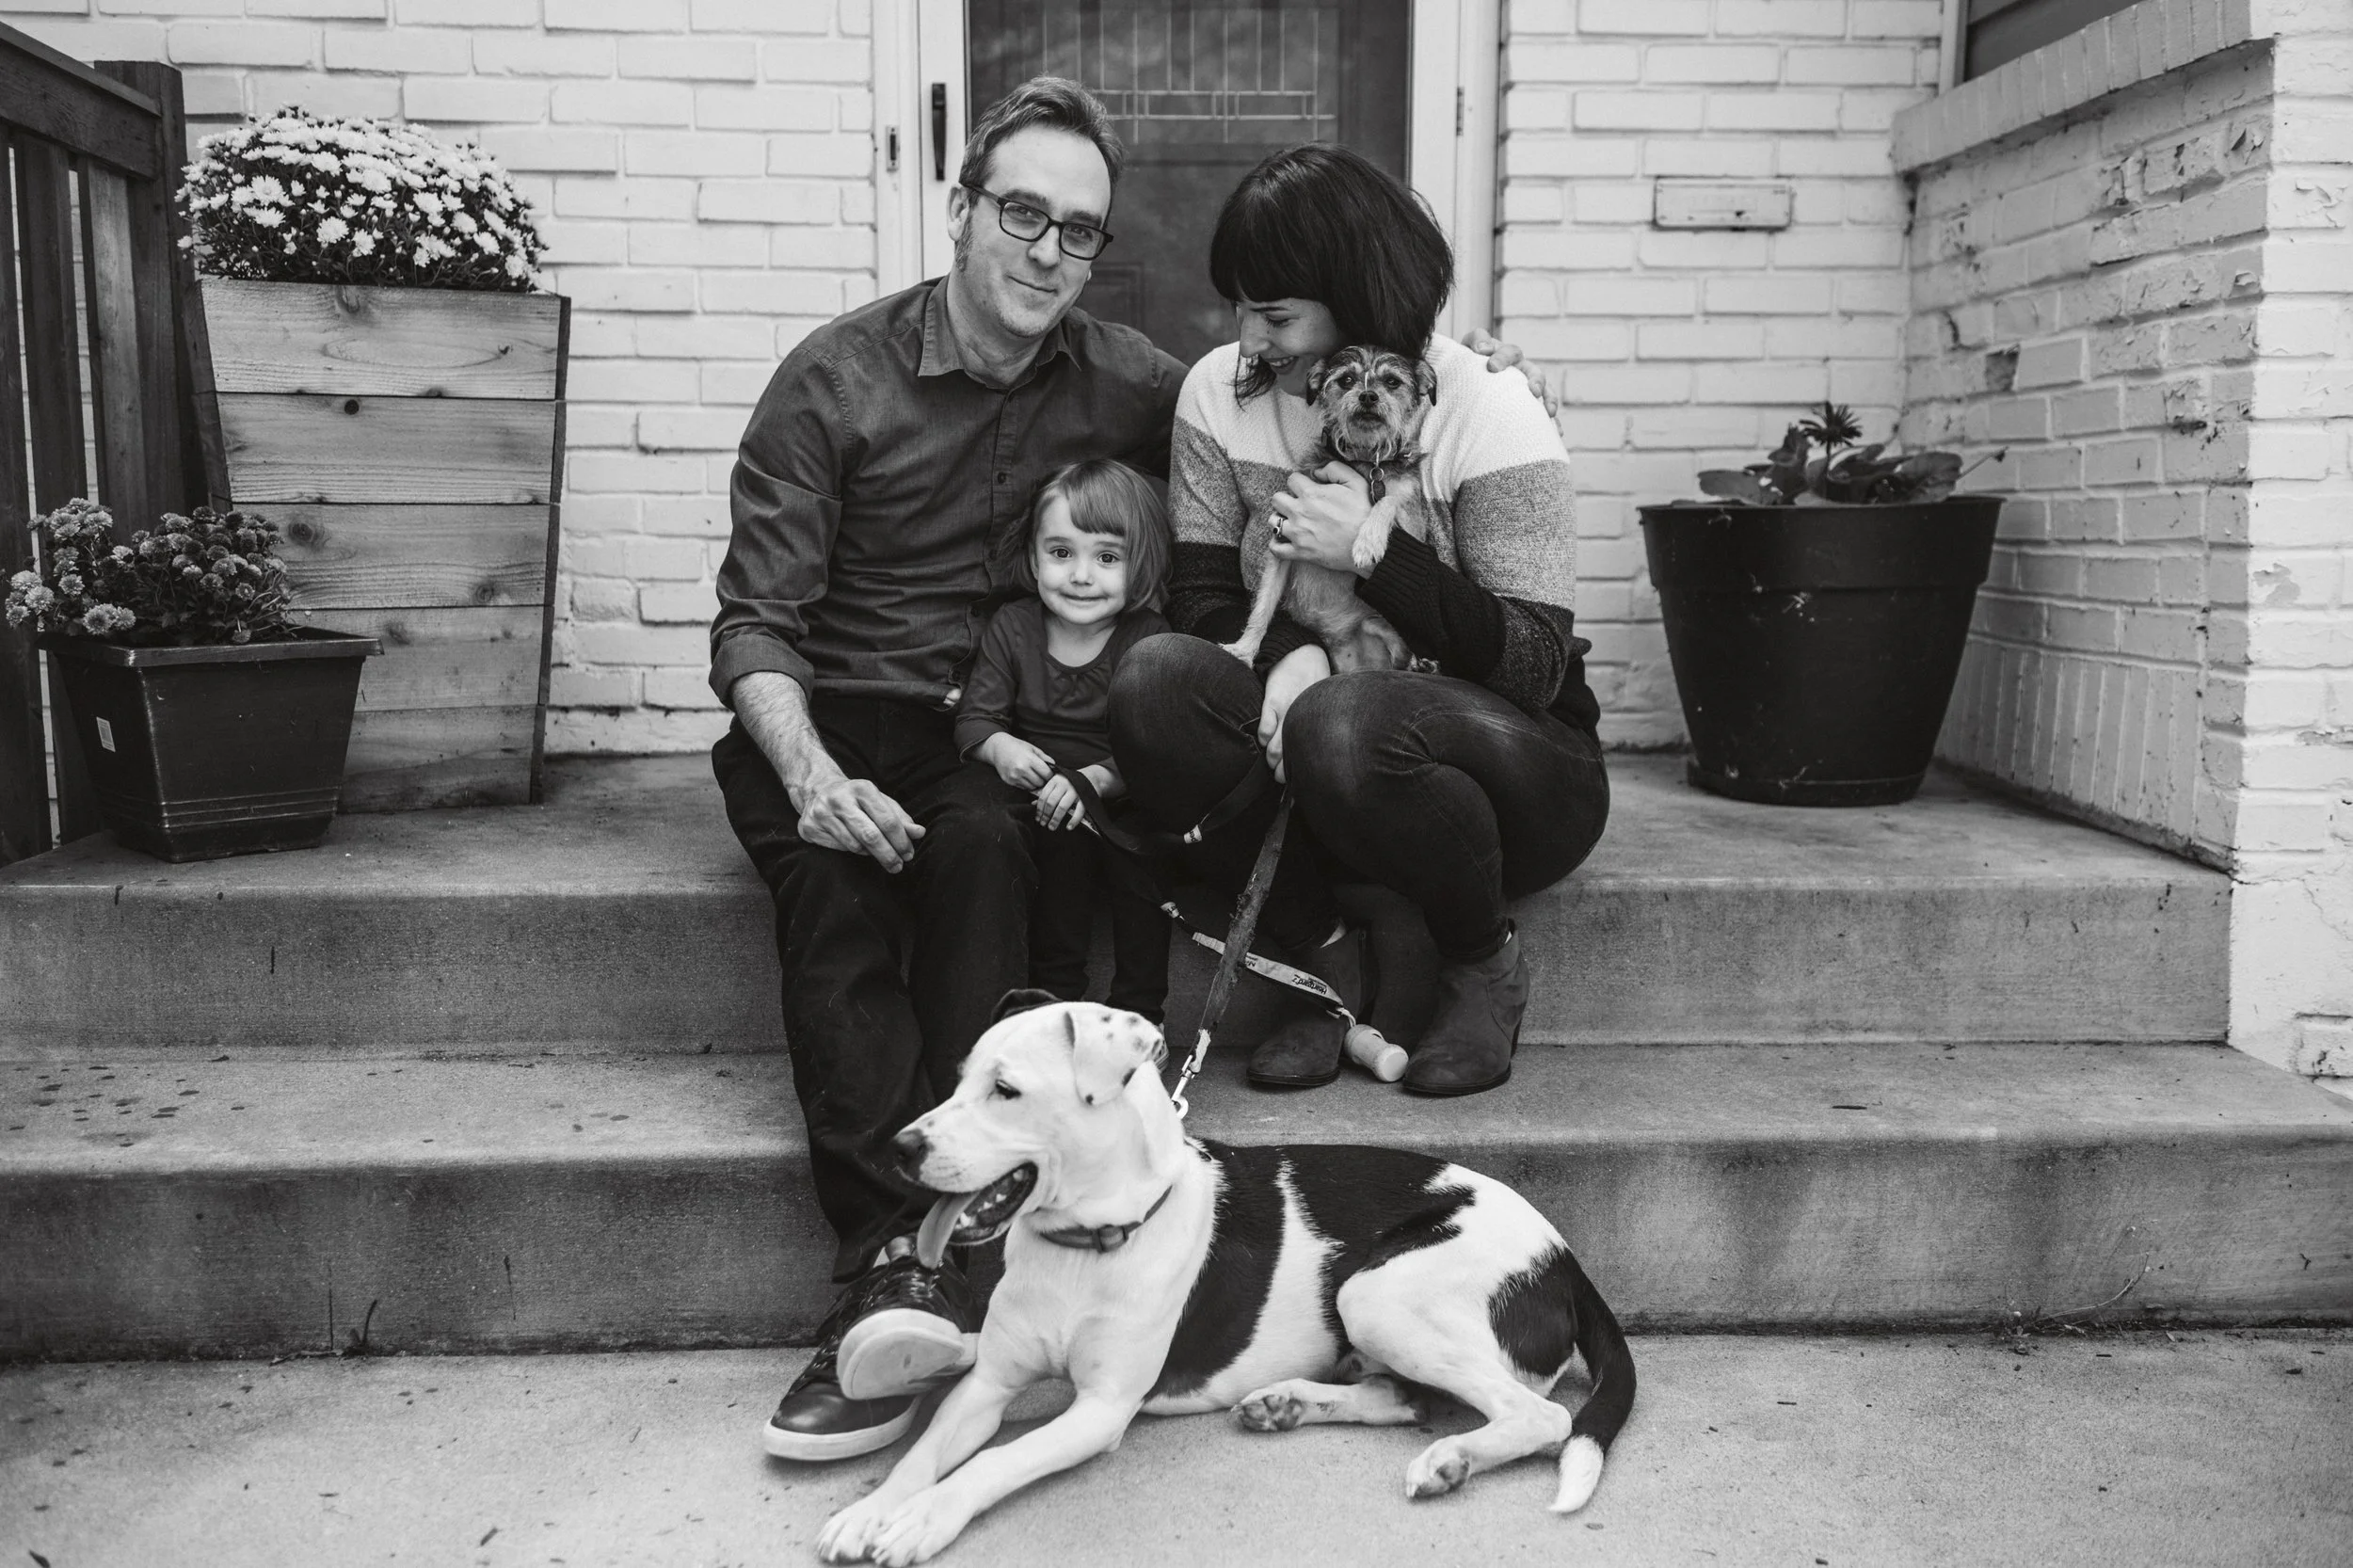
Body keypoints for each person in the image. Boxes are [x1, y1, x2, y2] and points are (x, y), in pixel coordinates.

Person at [711, 77, 1548, 1464]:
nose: (1048, 251)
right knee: (845, 890)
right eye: (1022, 213)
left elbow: (1287, 380)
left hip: (1000, 728)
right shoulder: (834, 377)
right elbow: (755, 621)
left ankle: (980, 1235)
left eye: (1080, 230)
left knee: (984, 846)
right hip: (839, 714)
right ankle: (888, 1271)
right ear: (965, 206)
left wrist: (1471, 365)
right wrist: (805, 768)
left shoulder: (1130, 375)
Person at [1108, 143, 1610, 1100]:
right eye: (1241, 307)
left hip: (1513, 773)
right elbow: (1208, 603)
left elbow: (1536, 666)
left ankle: (1478, 962)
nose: (1248, 337)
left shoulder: (1489, 408)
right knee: (1158, 682)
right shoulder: (1221, 393)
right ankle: (1325, 960)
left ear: (1361, 296)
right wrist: (1301, 656)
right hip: (1319, 749)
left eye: (1277, 313)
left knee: (1345, 721)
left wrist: (1376, 555)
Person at [956, 458, 1174, 1021]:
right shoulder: (1014, 626)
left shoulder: (1146, 639)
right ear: (1034, 557)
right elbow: (975, 719)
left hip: (1121, 796)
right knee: (1058, 875)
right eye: (1061, 553)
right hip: (1045, 803)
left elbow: (1157, 747)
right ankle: (1056, 1011)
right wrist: (1000, 748)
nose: (1080, 575)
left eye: (1106, 557)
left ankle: (1140, 1014)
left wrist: (1096, 780)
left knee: (1140, 877)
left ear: (1141, 563)